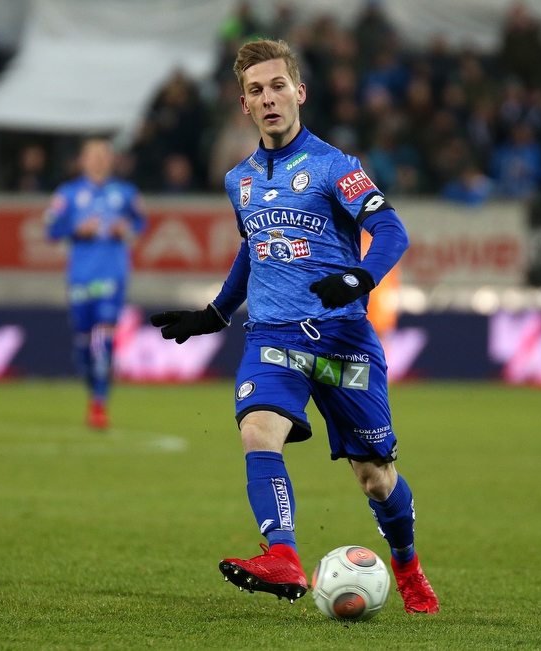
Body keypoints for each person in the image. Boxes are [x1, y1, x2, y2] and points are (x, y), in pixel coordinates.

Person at [149, 39, 439, 614]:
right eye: (256, 90)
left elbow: (393, 233)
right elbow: (251, 252)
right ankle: (283, 554)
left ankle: (407, 568)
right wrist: (215, 313)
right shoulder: (241, 181)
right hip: (273, 336)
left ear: (300, 91)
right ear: (244, 106)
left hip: (342, 343)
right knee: (258, 429)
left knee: (375, 476)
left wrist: (359, 280)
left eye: (278, 85)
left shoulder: (337, 167)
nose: (269, 98)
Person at [45, 137, 146, 429]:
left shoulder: (125, 193)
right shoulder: (68, 193)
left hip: (112, 276)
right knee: (82, 344)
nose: (99, 160)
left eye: (104, 155)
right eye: (93, 155)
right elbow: (51, 230)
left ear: (111, 160)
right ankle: (93, 391)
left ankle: (99, 404)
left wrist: (125, 230)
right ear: (83, 160)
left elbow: (141, 223)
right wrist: (76, 230)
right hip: (80, 277)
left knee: (103, 336)